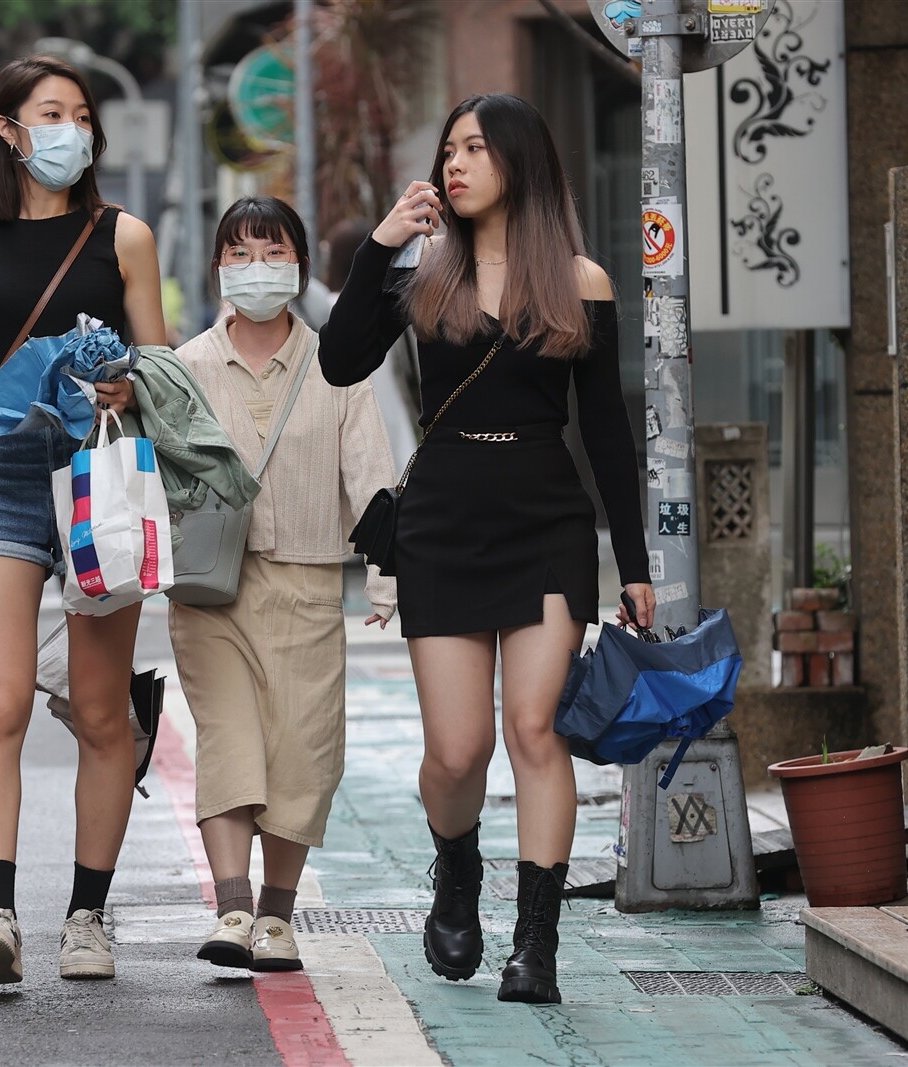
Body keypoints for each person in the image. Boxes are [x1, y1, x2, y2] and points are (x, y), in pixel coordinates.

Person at [317, 93, 656, 1006]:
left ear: (520, 160)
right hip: (442, 522)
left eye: (474, 148)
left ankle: (536, 944)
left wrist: (635, 564)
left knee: (534, 730)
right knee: (459, 751)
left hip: (546, 518)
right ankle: (456, 868)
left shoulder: (579, 281)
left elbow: (611, 434)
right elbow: (340, 360)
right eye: (449, 149)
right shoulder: (421, 272)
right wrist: (378, 246)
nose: (455, 164)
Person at [0, 55, 165, 985]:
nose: (72, 130)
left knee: (98, 711)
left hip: (102, 470)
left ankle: (87, 917)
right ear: (8, 129)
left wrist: (130, 379)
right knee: (0, 700)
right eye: (51, 113)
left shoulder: (123, 236)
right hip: (0, 474)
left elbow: (161, 364)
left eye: (82, 115)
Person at [171, 197, 397, 973]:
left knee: (302, 751)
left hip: (307, 583)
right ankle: (233, 908)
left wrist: (385, 575)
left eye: (271, 251)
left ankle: (277, 916)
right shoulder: (186, 366)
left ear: (299, 266)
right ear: (217, 268)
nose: (256, 267)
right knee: (230, 738)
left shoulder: (339, 363)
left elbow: (370, 474)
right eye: (239, 252)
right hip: (211, 591)